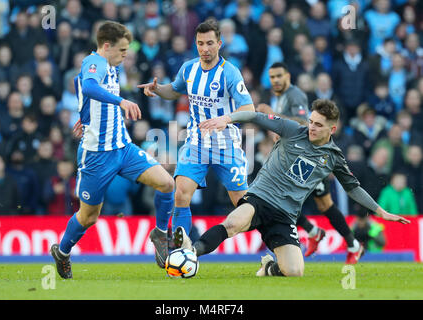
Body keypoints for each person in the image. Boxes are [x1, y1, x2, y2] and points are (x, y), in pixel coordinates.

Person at [173, 99, 410, 277]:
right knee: (232, 224)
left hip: (285, 215)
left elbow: (353, 188)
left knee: (295, 271)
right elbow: (255, 116)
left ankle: (269, 268)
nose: (312, 127)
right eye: (310, 121)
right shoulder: (291, 130)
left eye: (318, 125)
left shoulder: (334, 157)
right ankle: (190, 252)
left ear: (332, 130)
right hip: (259, 198)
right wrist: (228, 119)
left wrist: (380, 211)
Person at [50, 21, 175, 279]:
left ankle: (161, 234)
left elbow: (81, 85)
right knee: (89, 216)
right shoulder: (93, 62)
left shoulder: (111, 66)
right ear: (106, 46)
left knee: (166, 183)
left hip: (123, 148)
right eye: (122, 50)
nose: (125, 55)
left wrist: (85, 114)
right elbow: (89, 86)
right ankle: (62, 252)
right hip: (97, 156)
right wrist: (121, 100)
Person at [138, 19, 255, 266]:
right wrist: (159, 90)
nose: (205, 49)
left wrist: (226, 118)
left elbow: (249, 108)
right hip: (196, 144)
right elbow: (175, 90)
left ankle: (274, 241)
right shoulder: (189, 69)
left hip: (227, 147)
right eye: (200, 43)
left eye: (210, 43)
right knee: (181, 193)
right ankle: (181, 251)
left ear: (220, 44)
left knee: (244, 205)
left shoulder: (230, 73)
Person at [257, 62, 364, 264]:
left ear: (288, 75)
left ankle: (340, 240)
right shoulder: (282, 97)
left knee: (288, 198)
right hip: (296, 158)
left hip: (307, 158)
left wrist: (271, 114)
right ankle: (343, 242)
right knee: (316, 203)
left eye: (279, 76)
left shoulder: (295, 95)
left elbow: (301, 125)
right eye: (272, 77)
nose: (276, 80)